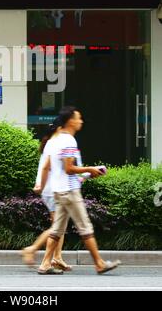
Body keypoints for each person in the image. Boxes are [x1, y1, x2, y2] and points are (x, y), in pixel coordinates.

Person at [36, 107, 121, 275]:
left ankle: (45, 264)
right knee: (85, 227)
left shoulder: (55, 140)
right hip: (69, 191)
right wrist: (90, 168)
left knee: (57, 229)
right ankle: (99, 263)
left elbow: (56, 168)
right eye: (78, 118)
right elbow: (68, 169)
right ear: (70, 121)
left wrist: (89, 173)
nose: (81, 121)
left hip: (58, 191)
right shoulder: (69, 141)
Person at [21, 133, 72, 272]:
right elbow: (64, 169)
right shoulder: (55, 147)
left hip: (49, 190)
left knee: (58, 225)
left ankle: (57, 257)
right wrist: (85, 172)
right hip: (53, 190)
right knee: (58, 226)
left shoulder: (50, 146)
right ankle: (32, 249)